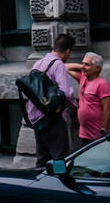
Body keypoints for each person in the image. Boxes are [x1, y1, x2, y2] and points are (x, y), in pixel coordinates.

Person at [25, 34, 80, 167]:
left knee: (42, 157)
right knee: (59, 157)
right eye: (70, 52)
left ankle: (41, 181)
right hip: (53, 118)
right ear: (67, 51)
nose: (69, 56)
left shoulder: (39, 62)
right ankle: (59, 183)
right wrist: (76, 106)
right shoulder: (58, 65)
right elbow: (66, 92)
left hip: (37, 117)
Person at [70, 51, 110, 146]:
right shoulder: (82, 78)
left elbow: (107, 108)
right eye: (82, 63)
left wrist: (104, 129)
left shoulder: (102, 84)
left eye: (87, 64)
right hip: (84, 133)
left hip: (97, 134)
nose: (83, 66)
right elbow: (65, 67)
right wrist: (81, 66)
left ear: (97, 68)